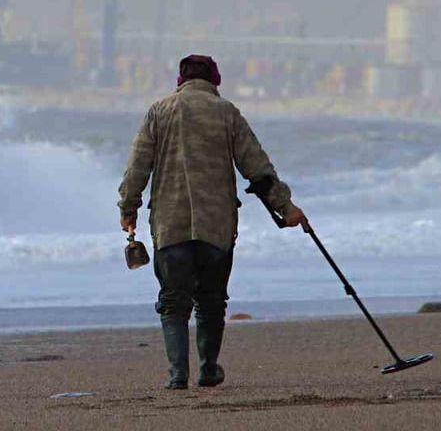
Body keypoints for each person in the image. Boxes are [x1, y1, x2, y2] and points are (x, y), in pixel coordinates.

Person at [118, 55, 307, 390]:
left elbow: (137, 168)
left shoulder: (159, 112)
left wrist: (128, 208)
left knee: (173, 301)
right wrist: (286, 207)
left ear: (180, 81)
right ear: (214, 81)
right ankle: (207, 368)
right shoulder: (227, 113)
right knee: (211, 299)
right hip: (216, 227)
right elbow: (257, 170)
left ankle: (178, 374)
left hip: (170, 224)